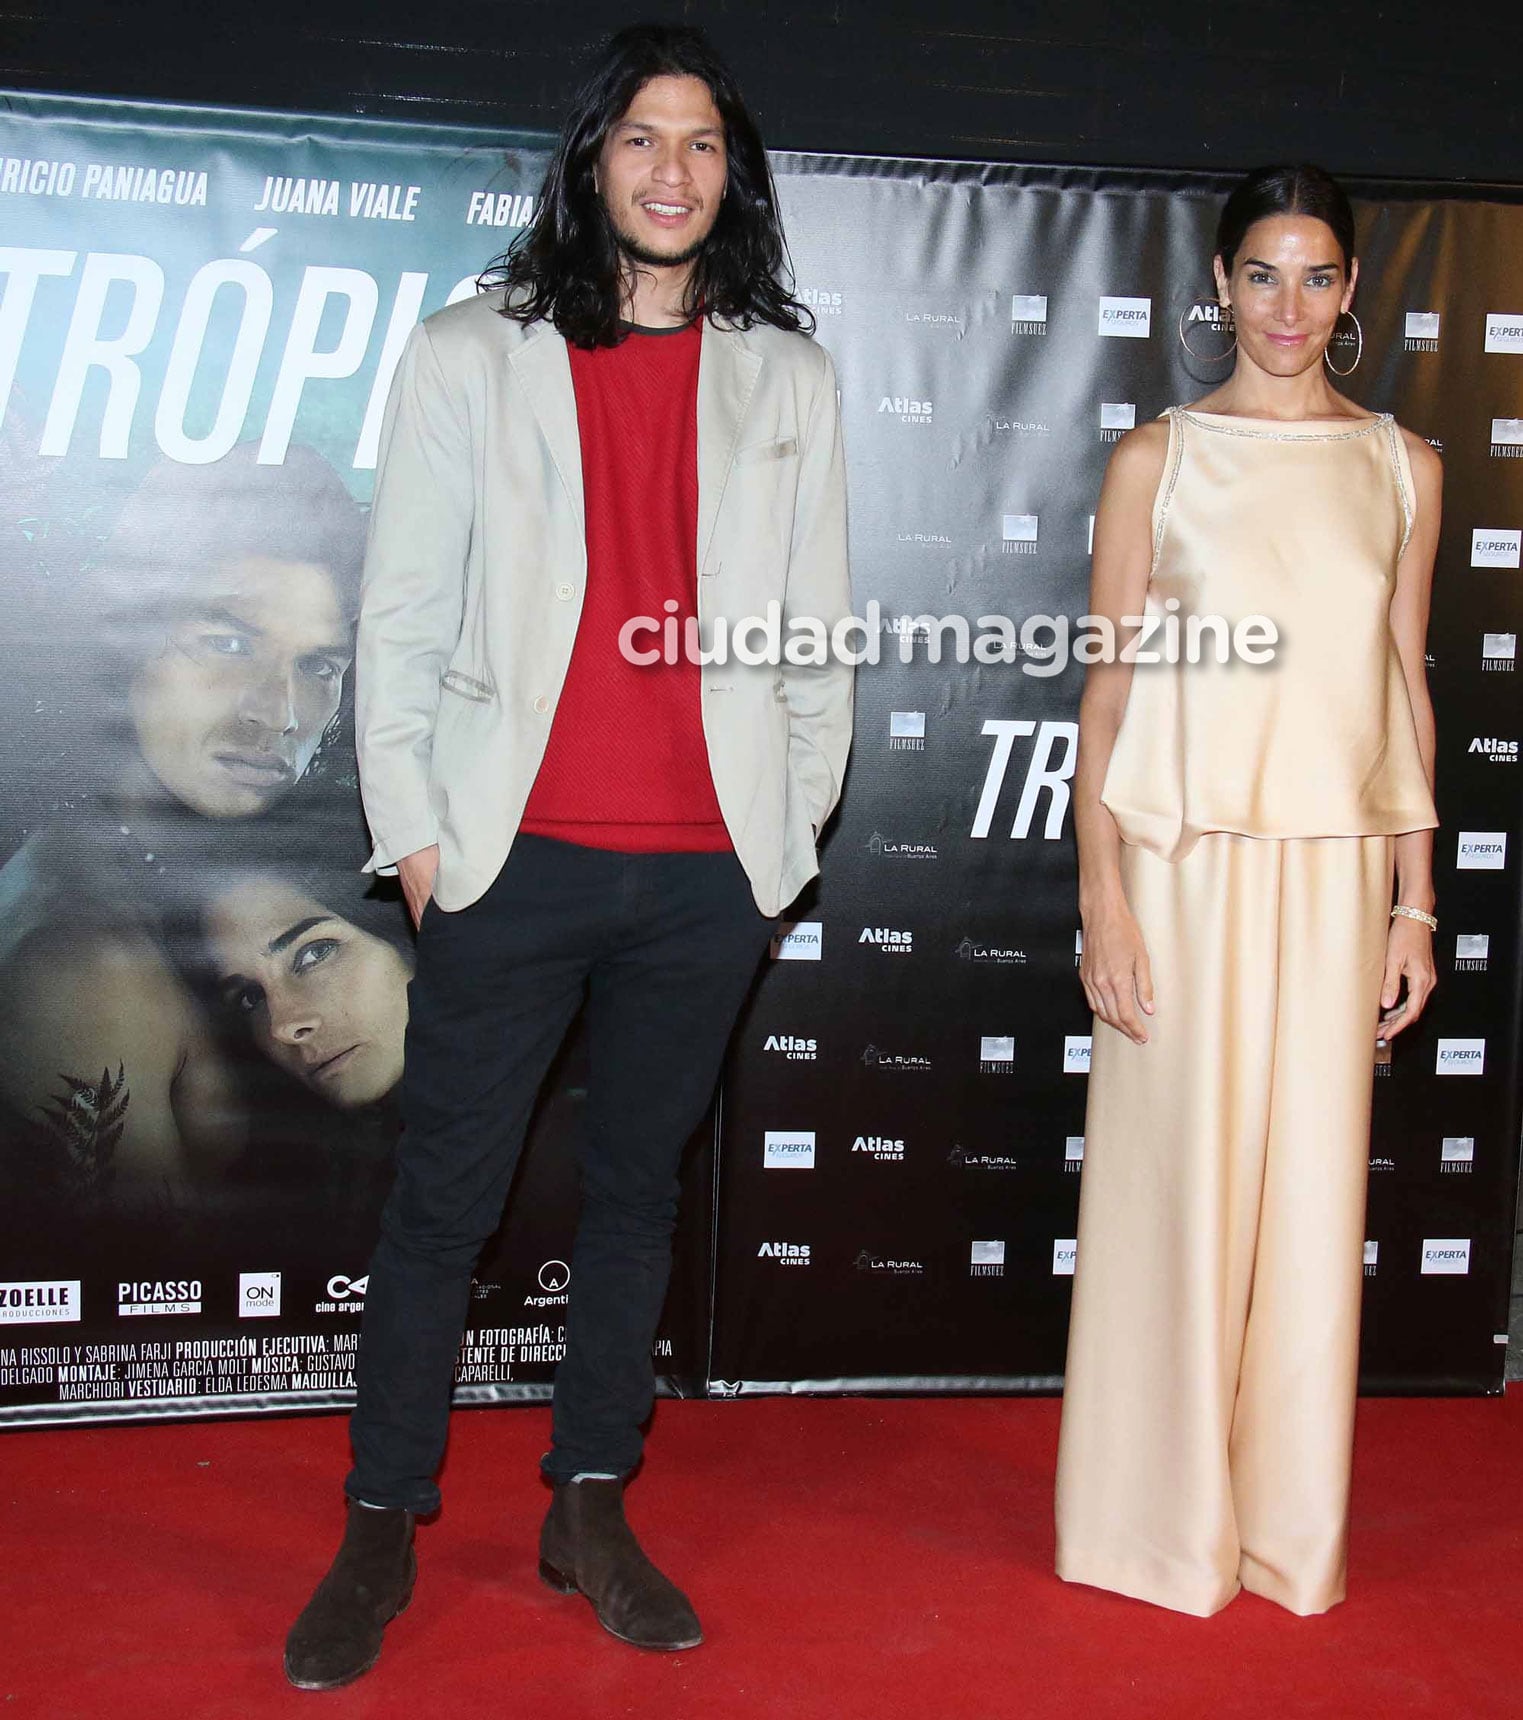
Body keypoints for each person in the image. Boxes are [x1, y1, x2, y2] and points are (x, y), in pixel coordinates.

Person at [283, 22, 852, 1691]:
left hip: (704, 877)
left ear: (727, 175)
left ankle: (587, 1505)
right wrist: (420, 837)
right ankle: (382, 1521)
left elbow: (815, 636)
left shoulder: (787, 379)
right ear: (592, 163)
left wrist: (781, 844)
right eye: (640, 141)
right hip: (508, 857)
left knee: (628, 1209)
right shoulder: (475, 351)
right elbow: (397, 617)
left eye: (699, 144)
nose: (670, 171)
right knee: (442, 1207)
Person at [1054, 163, 1439, 1617]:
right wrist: (1100, 894)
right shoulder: (1156, 460)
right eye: (1261, 274)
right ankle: (1152, 1525)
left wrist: (1413, 903)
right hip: (1181, 868)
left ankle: (1285, 1532)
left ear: (1348, 293)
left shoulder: (1404, 466)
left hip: (1336, 875)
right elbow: (1103, 697)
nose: (1287, 305)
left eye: (1317, 275)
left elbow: (1401, 684)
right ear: (1217, 285)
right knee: (1176, 1197)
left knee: (1304, 1205)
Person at [0, 445, 363, 1207]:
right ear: (122, 639)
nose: (279, 712)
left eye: (318, 667)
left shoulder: (205, 890)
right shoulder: (89, 970)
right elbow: (124, 1304)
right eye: (227, 644)